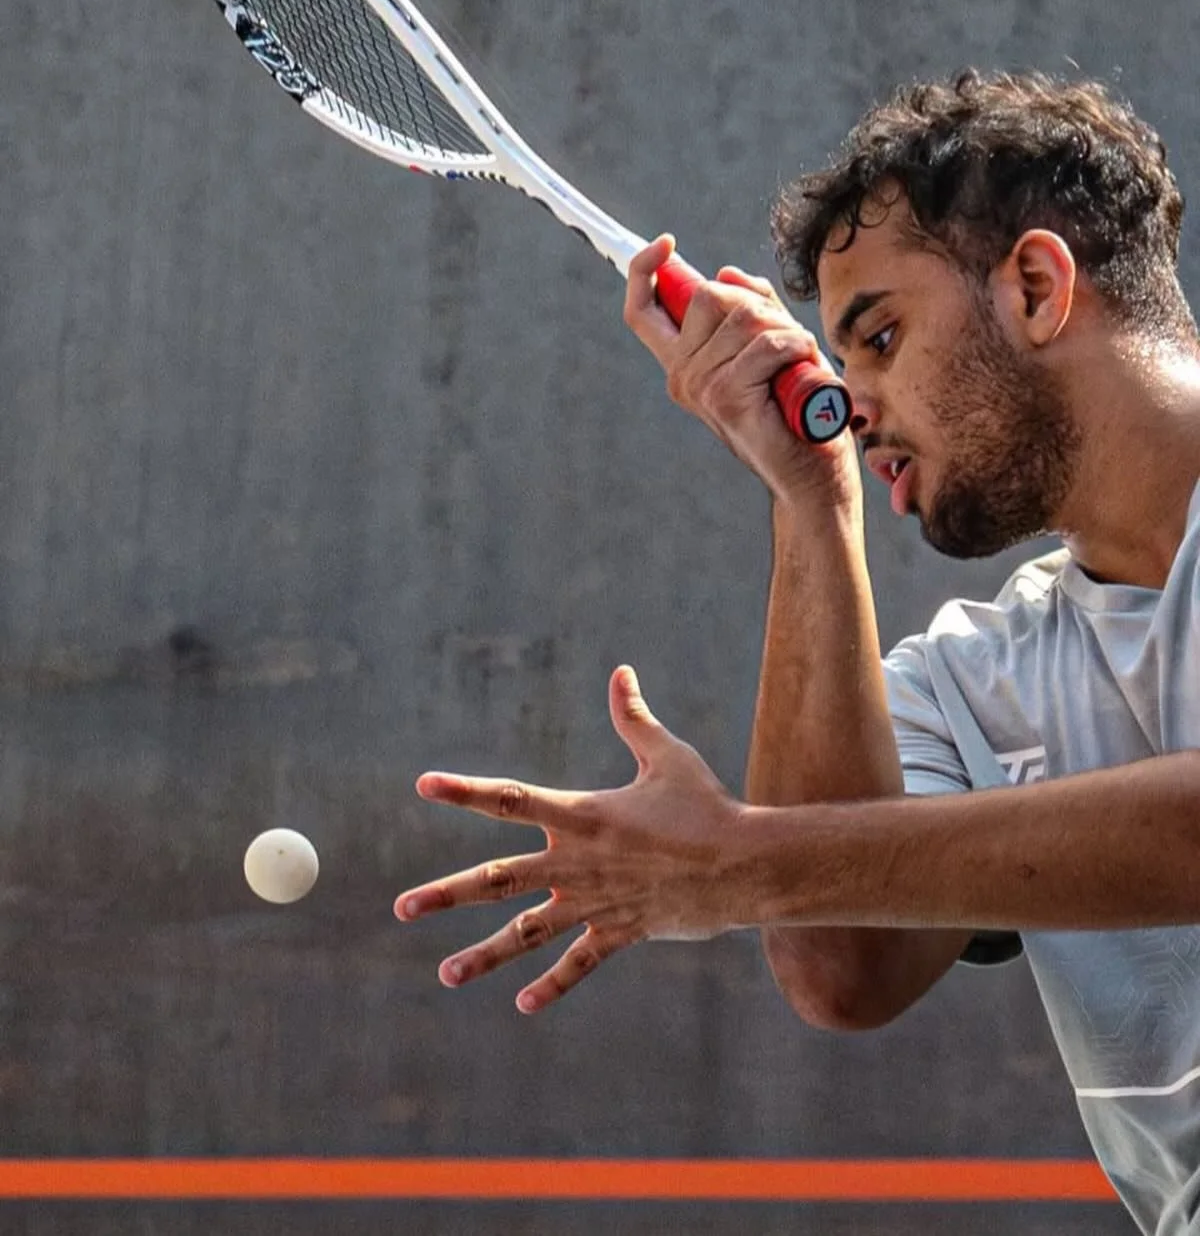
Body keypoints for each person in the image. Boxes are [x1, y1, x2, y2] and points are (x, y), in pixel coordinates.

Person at [395, 70, 1200, 1235]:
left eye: (879, 335)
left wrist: (738, 863)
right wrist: (810, 500)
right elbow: (843, 968)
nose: (850, 398)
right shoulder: (976, 681)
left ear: (1034, 286)